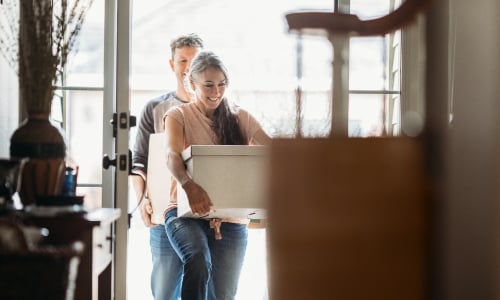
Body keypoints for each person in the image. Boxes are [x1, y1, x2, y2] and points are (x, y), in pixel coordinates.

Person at [162, 50, 271, 300]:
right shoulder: (178, 116)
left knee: (222, 295)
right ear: (192, 84)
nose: (216, 92)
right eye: (208, 85)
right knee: (198, 259)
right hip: (184, 213)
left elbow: (273, 149)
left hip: (230, 220)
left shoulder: (238, 116)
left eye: (222, 84)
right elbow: (172, 155)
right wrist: (189, 185)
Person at [130, 33, 204, 300]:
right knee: (164, 290)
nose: (187, 66)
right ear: (172, 65)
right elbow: (138, 162)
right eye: (182, 60)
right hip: (164, 214)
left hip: (204, 215)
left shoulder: (214, 109)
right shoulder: (154, 108)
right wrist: (142, 203)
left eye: (194, 60)